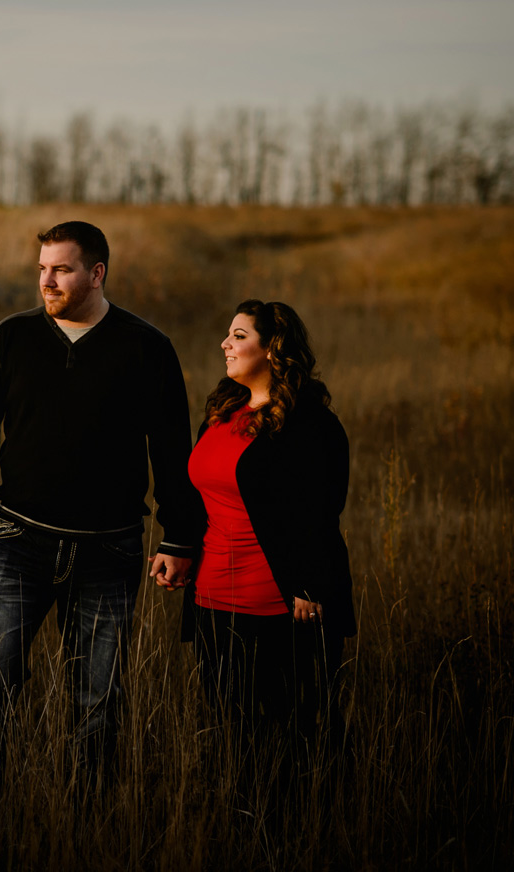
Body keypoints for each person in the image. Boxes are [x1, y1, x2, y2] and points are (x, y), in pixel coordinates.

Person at [0, 220, 204, 781]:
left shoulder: (147, 348)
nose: (47, 281)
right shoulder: (9, 339)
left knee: (98, 696)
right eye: (41, 269)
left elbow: (170, 448)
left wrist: (180, 535)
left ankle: (87, 817)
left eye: (61, 269)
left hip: (109, 550)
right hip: (18, 539)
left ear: (97, 273)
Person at [154, 299, 354, 749]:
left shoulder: (310, 424)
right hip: (211, 600)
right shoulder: (223, 412)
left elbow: (322, 510)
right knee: (230, 727)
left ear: (273, 349)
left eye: (239, 336)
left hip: (278, 602)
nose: (225, 343)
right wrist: (180, 550)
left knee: (297, 731)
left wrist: (309, 585)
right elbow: (200, 497)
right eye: (228, 334)